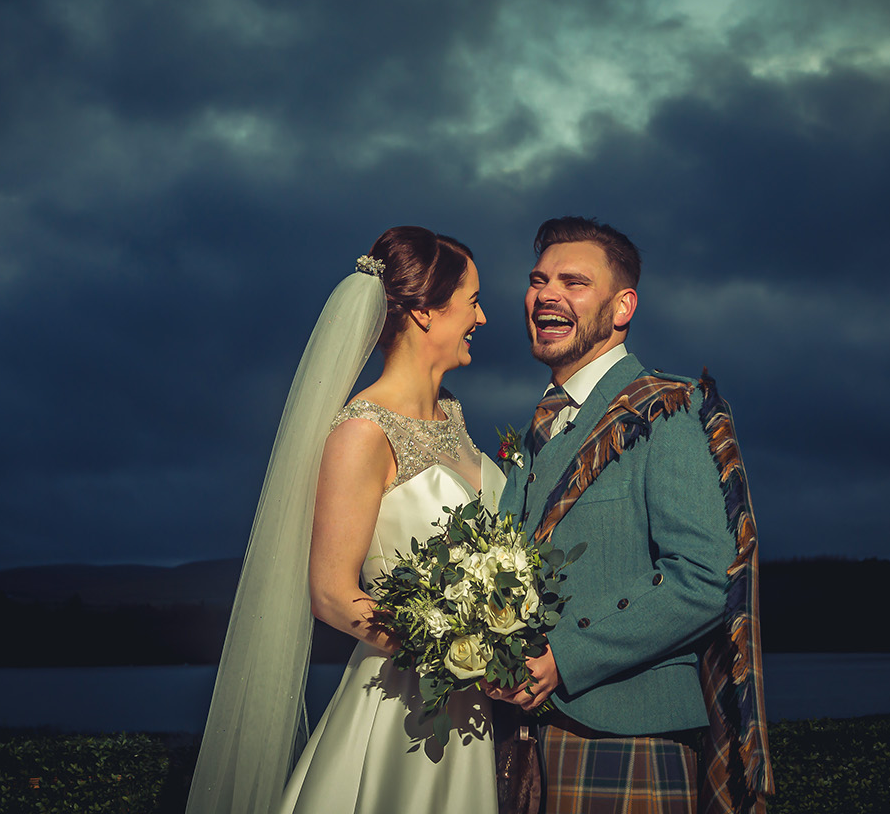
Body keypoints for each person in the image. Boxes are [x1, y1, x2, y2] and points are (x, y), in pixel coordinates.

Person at [186, 226, 505, 814]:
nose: (481, 319)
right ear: (426, 312)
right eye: (474, 301)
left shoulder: (454, 415)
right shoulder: (362, 432)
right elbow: (332, 594)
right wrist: (459, 656)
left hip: (479, 708)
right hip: (405, 706)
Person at [490, 216, 773, 814]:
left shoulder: (667, 410)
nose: (547, 295)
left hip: (626, 741)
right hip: (520, 741)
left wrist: (565, 657)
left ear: (623, 307)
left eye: (574, 282)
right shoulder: (537, 429)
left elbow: (705, 578)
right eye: (539, 280)